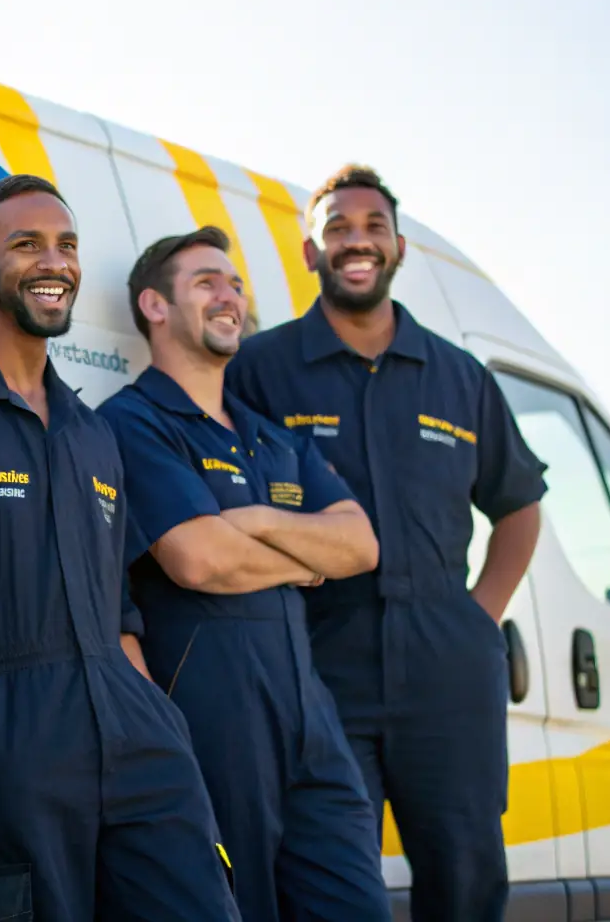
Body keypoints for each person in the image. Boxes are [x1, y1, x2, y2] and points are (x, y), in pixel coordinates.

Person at [0, 174, 241, 922]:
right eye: (26, 244)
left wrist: (156, 720)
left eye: (67, 245)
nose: (55, 262)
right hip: (10, 739)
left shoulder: (90, 432)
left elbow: (119, 607)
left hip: (135, 735)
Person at [224, 164, 547, 922]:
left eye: (372, 228)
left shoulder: (457, 377)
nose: (356, 242)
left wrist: (480, 615)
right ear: (309, 252)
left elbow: (520, 505)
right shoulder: (259, 370)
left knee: (466, 883)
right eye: (336, 228)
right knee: (332, 883)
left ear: (399, 247)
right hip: (317, 667)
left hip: (448, 676)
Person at [96, 227, 392, 922]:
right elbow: (197, 560)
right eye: (205, 282)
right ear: (154, 306)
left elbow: (358, 546)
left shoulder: (270, 435)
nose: (229, 296)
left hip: (311, 723)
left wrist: (254, 521)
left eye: (232, 283)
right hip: (212, 719)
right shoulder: (132, 423)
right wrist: (302, 559)